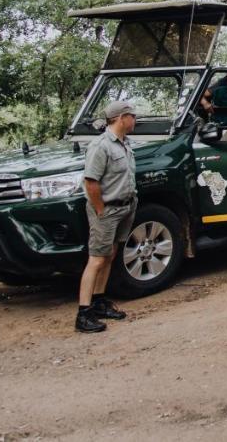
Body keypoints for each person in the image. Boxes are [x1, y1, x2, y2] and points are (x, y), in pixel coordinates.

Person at [76, 100, 138, 334]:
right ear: (121, 118)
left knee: (110, 254)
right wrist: (100, 209)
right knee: (97, 259)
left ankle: (100, 301)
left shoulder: (125, 144)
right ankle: (83, 312)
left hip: (125, 206)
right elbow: (91, 181)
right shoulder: (101, 146)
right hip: (107, 210)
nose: (135, 120)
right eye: (132, 116)